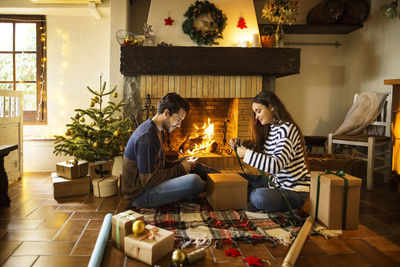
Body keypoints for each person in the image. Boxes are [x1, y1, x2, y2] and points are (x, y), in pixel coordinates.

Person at [122, 92, 216, 208]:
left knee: (188, 160)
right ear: (166, 113)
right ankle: (211, 186)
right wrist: (181, 168)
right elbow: (148, 181)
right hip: (140, 196)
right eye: (178, 119)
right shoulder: (147, 137)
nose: (180, 125)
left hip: (148, 186)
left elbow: (159, 166)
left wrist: (182, 163)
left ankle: (219, 180)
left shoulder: (157, 130)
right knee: (194, 181)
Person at [229, 91, 310, 212]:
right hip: (273, 185)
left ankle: (254, 199)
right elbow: (260, 151)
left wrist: (246, 154)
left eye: (259, 111)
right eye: (255, 112)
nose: (256, 116)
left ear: (271, 107)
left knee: (259, 196)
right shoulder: (271, 129)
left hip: (294, 192)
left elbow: (275, 165)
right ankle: (254, 201)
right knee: (233, 180)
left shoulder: (287, 129)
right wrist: (240, 144)